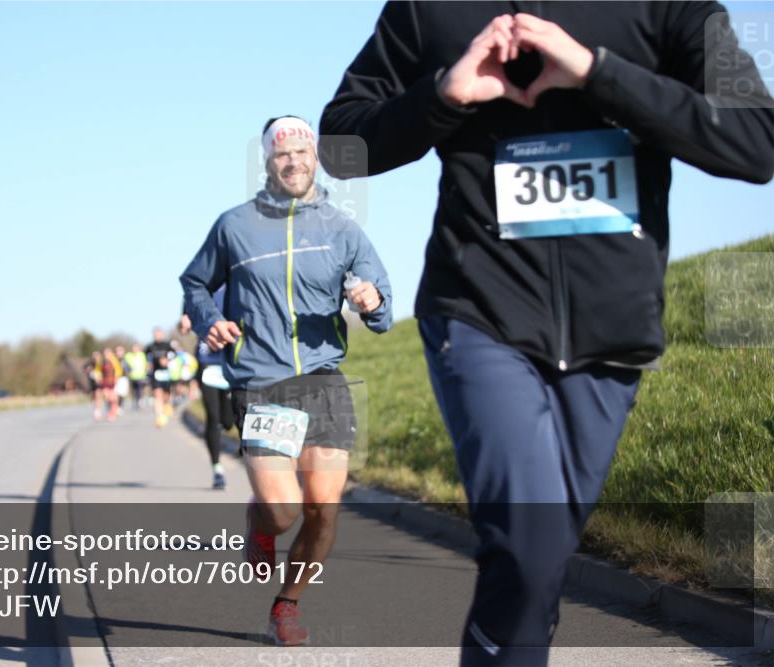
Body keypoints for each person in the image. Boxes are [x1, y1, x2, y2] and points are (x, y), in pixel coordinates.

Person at [318, 3, 774, 665]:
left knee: (538, 567)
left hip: (612, 333)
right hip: (478, 314)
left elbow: (757, 141)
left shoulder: (672, 5)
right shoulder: (429, 8)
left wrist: (598, 73)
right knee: (528, 551)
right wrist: (442, 94)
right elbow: (340, 145)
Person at [180, 115, 393, 646]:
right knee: (282, 509)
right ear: (267, 162)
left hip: (324, 381)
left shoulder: (342, 229)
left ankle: (287, 604)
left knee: (323, 509)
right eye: (282, 154)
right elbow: (195, 282)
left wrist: (373, 301)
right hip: (263, 383)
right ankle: (259, 522)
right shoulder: (235, 225)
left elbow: (381, 302)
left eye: (302, 152)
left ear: (315, 157)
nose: (293, 161)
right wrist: (211, 322)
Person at [181, 302, 234, 491]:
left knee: (228, 421)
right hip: (208, 364)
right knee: (213, 417)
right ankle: (217, 469)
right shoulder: (201, 287)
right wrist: (185, 322)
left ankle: (228, 428)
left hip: (230, 363)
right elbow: (185, 320)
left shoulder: (235, 282)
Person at [146, 328, 176, 427]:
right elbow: (146, 357)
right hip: (156, 374)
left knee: (166, 396)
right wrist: (149, 364)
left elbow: (174, 355)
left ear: (162, 334)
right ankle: (160, 417)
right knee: (157, 395)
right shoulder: (150, 347)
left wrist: (167, 359)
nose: (157, 336)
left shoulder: (167, 345)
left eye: (159, 334)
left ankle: (166, 407)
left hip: (166, 374)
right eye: (155, 334)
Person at [124, 343, 150, 410]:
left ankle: (141, 401)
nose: (134, 349)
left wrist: (147, 371)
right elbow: (125, 365)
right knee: (134, 390)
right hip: (132, 376)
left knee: (141, 389)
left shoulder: (142, 355)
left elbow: (146, 364)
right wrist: (127, 372)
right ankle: (135, 401)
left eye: (136, 348)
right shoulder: (128, 355)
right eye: (133, 348)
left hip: (141, 376)